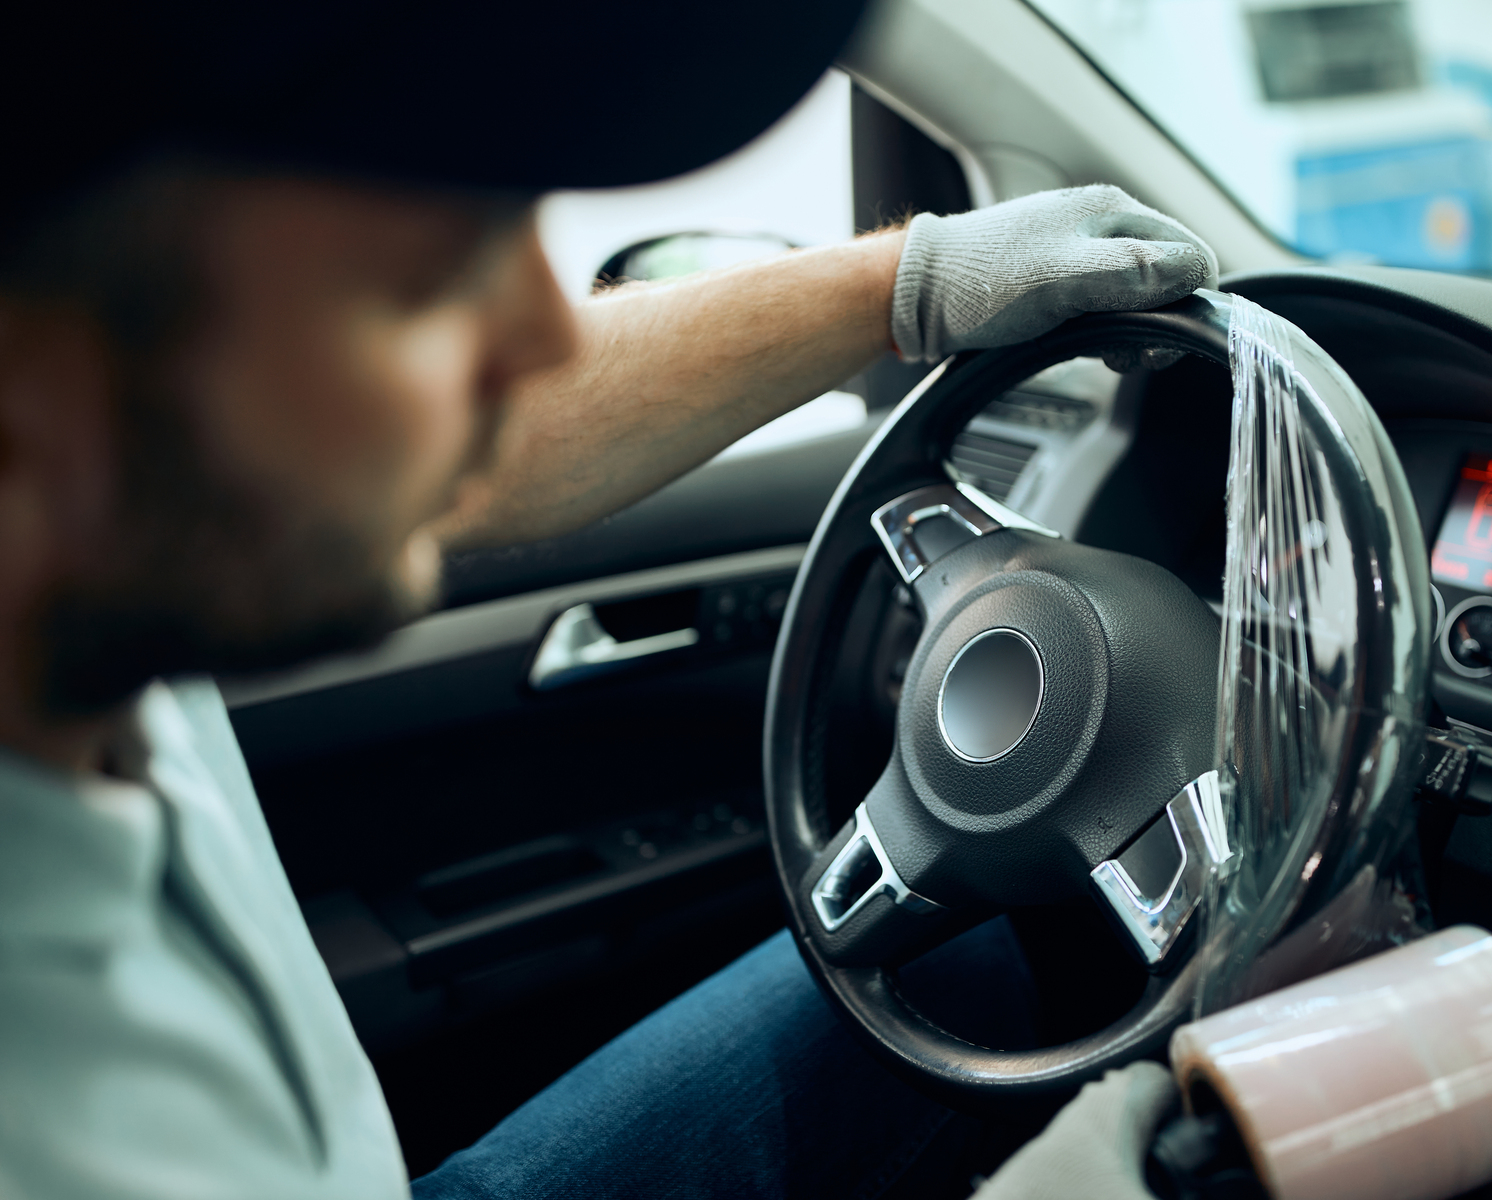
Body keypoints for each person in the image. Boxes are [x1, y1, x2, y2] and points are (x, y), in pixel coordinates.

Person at [0, 5, 1215, 1197]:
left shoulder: (88, 552)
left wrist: (916, 282)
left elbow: (453, 439)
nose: (542, 334)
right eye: (428, 282)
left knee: (986, 966)